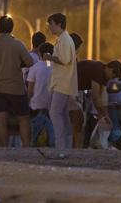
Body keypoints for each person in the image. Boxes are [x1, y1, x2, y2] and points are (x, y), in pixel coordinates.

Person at [0, 15, 34, 147]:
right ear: (11, 28)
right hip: (16, 88)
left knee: (1, 118)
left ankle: (4, 147)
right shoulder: (17, 45)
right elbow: (30, 62)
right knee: (23, 118)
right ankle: (26, 146)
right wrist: (17, 64)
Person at [44, 13, 78, 150]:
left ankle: (61, 146)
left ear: (58, 24)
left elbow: (64, 59)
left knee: (55, 113)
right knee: (63, 115)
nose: (49, 27)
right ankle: (66, 147)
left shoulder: (64, 40)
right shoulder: (63, 39)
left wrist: (49, 57)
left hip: (63, 83)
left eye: (51, 24)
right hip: (63, 82)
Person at [27, 42, 55, 147]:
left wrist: (26, 102)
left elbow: (30, 89)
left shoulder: (34, 68)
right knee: (52, 139)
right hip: (51, 107)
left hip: (36, 107)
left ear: (40, 53)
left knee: (34, 138)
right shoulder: (56, 68)